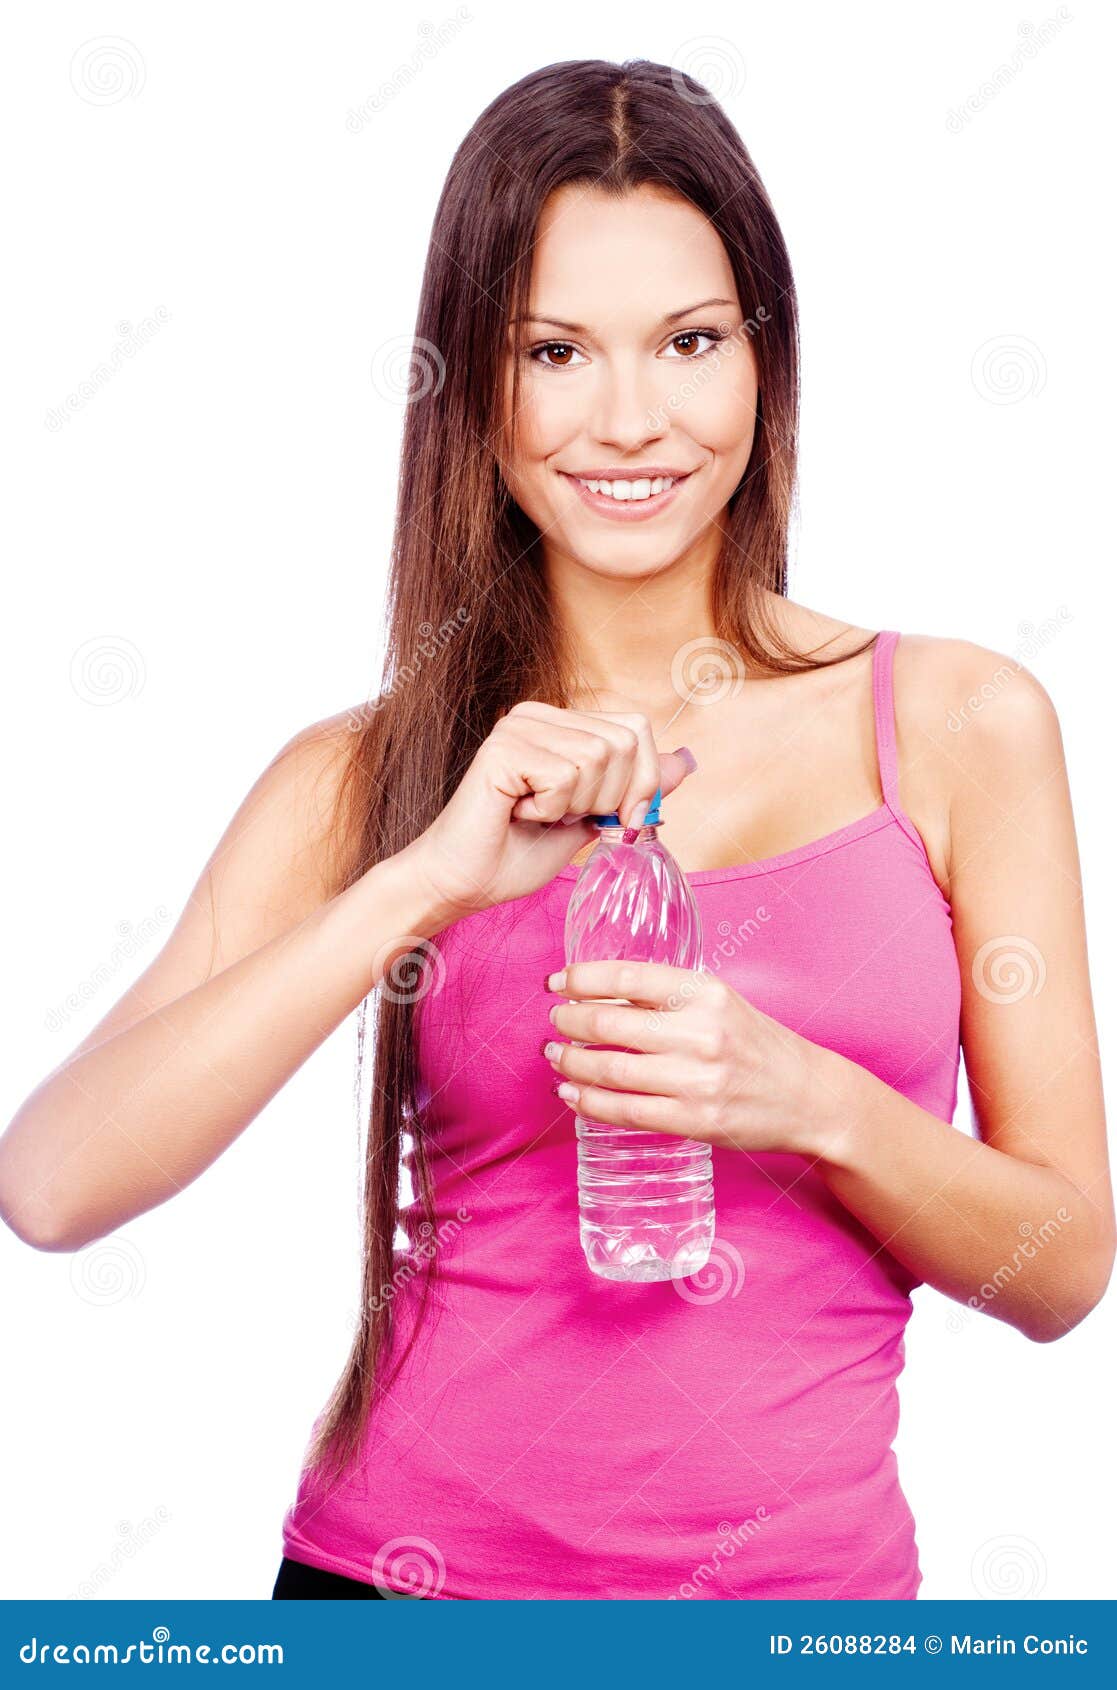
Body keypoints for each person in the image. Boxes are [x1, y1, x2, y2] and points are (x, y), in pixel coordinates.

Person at [2, 58, 1111, 1603]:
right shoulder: (370, 776)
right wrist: (424, 876)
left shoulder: (957, 723)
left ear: (762, 361)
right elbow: (51, 1185)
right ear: (474, 378)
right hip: (403, 1603)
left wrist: (806, 1099)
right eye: (554, 351)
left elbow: (1060, 1267)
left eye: (689, 341)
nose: (630, 418)